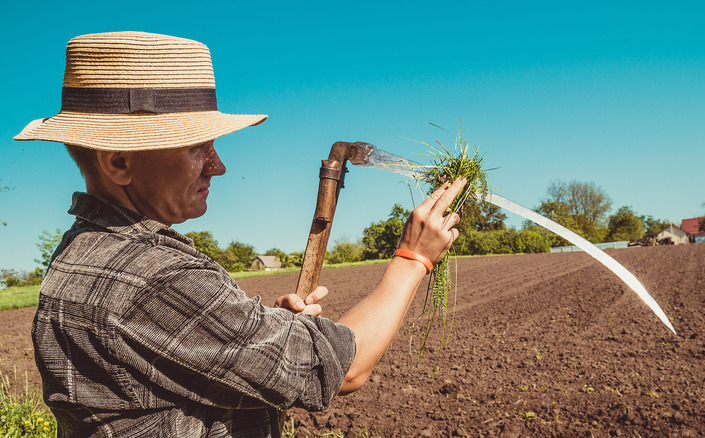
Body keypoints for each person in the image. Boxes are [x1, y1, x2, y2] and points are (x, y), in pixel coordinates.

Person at [15, 31, 465, 437]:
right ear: (118, 163)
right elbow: (344, 369)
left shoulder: (81, 252)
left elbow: (171, 353)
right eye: (198, 148)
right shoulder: (156, 276)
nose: (219, 165)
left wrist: (255, 334)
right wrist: (413, 259)